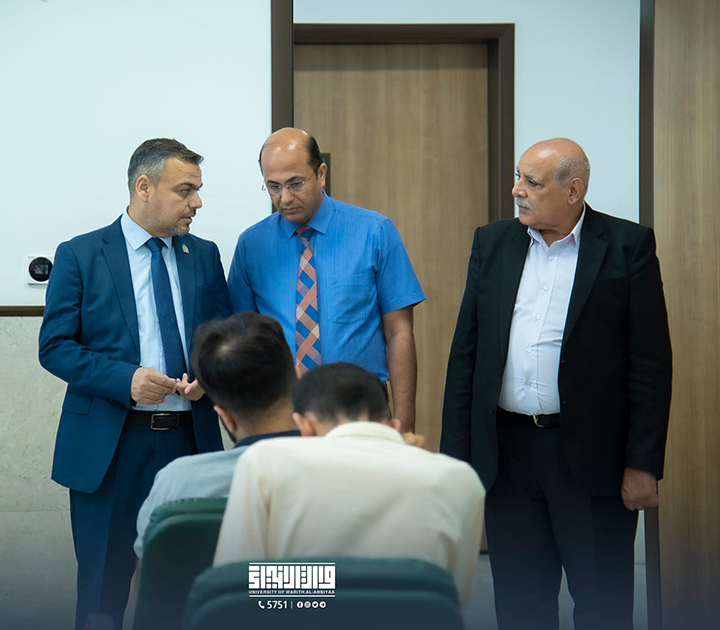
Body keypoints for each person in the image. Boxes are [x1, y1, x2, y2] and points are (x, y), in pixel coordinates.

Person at [441, 138, 672, 629]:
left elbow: (650, 364)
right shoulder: (492, 242)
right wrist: (457, 460)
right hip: (508, 458)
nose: (516, 190)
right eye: (518, 177)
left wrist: (643, 462)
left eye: (531, 182)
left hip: (592, 459)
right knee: (520, 606)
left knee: (603, 606)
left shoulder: (627, 246)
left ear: (574, 190)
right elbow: (466, 357)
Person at [38, 138, 230, 630]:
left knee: (188, 590)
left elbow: (224, 340)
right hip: (111, 447)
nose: (197, 202)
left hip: (190, 444)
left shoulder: (204, 255)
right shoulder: (81, 254)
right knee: (102, 594)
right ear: (144, 187)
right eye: (185, 190)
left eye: (198, 190)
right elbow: (54, 346)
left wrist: (208, 379)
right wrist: (126, 379)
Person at [214, 362, 486, 606]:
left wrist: (322, 583)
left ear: (304, 425)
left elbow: (236, 585)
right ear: (393, 426)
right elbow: (454, 597)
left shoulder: (264, 462)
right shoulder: (460, 479)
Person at [227, 128, 425, 432]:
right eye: (273, 187)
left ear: (321, 174)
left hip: (360, 406)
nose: (285, 198)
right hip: (280, 410)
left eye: (296, 183)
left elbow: (399, 332)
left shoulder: (374, 232)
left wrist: (404, 422)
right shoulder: (251, 245)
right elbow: (243, 340)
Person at [133, 311, 299, 560]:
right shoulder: (349, 469)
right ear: (299, 378)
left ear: (225, 416)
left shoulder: (176, 485)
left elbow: (151, 575)